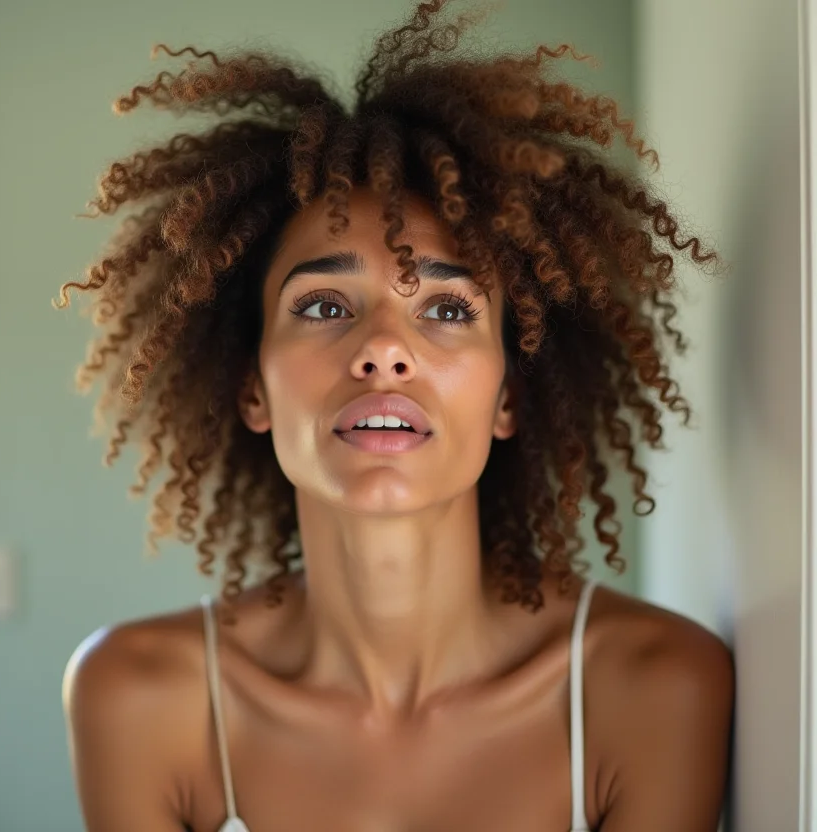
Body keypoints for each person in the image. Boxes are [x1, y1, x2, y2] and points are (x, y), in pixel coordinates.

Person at [58, 2, 733, 829]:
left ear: (509, 396)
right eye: (323, 305)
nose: (383, 349)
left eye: (447, 310)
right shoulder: (139, 696)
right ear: (252, 388)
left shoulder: (653, 687)